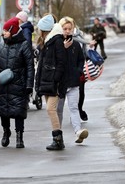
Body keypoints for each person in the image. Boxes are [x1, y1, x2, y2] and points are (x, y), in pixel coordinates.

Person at [0, 17, 35, 148]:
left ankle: (19, 136)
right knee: (3, 110)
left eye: (6, 30)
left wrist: (29, 85)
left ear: (13, 30)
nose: (3, 33)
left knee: (19, 111)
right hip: (3, 83)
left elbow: (30, 66)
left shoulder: (24, 45)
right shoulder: (0, 45)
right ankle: (6, 131)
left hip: (19, 83)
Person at [35, 14, 67, 151]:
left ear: (44, 30)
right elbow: (41, 65)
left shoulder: (57, 41)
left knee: (50, 109)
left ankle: (57, 139)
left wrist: (55, 80)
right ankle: (58, 140)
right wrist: (38, 83)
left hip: (54, 83)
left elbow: (61, 63)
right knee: (51, 110)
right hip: (46, 82)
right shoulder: (46, 42)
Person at [57, 16, 88, 144]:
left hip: (74, 82)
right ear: (60, 29)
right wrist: (63, 48)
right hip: (59, 84)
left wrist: (79, 70)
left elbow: (81, 59)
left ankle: (78, 131)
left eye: (70, 28)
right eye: (65, 29)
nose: (68, 31)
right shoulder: (56, 44)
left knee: (74, 108)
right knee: (58, 110)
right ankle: (57, 133)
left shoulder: (76, 44)